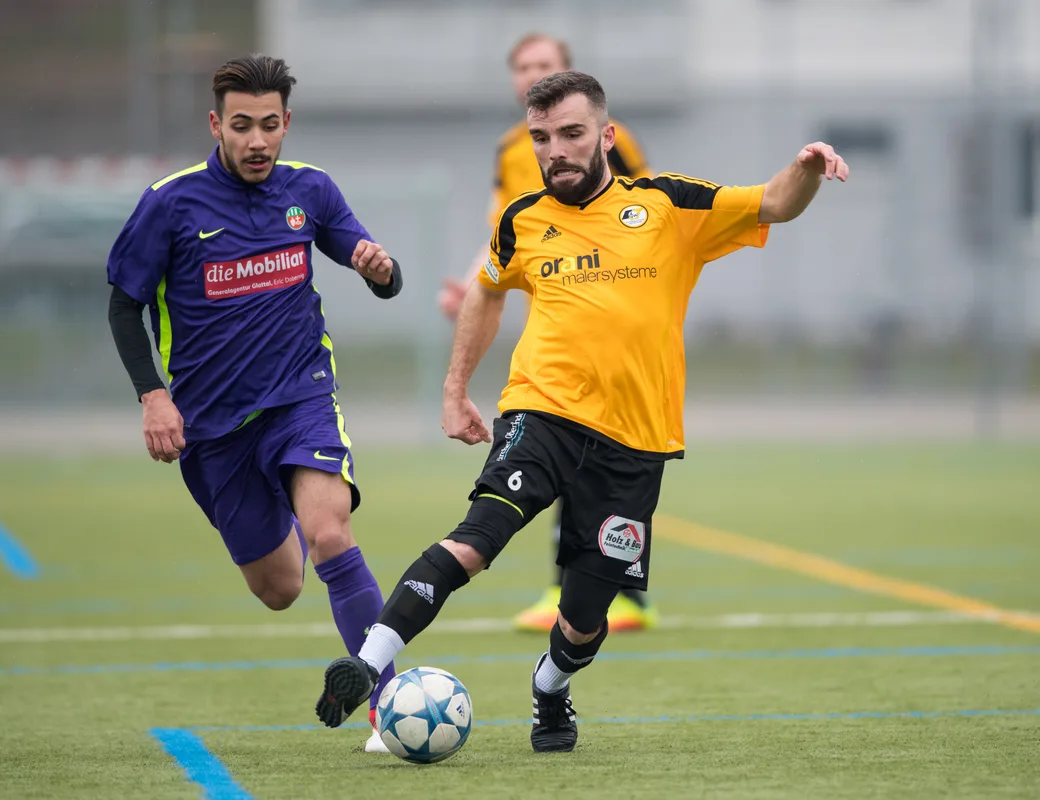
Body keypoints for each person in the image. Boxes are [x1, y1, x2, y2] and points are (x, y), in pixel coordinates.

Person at [316, 70, 848, 752]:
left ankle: (550, 688)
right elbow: (485, 291)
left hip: (636, 440)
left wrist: (806, 163)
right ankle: (366, 664)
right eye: (541, 138)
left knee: (584, 618)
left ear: (607, 135)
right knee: (479, 536)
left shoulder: (668, 205)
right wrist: (455, 389)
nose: (555, 150)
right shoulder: (522, 220)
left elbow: (775, 202)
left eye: (570, 134)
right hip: (543, 412)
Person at [106, 55, 403, 754]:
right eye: (242, 126)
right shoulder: (169, 203)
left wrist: (380, 271)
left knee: (330, 533)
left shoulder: (311, 191)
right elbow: (124, 307)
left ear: (286, 124)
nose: (257, 141)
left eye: (270, 125)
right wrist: (153, 397)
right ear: (217, 124)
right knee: (279, 588)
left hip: (301, 395)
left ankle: (387, 702)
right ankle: (286, 506)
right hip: (212, 428)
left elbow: (374, 268)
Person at [437, 33, 656, 634]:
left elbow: (646, 214)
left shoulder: (616, 142)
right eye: (525, 68)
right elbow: (502, 237)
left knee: (601, 460)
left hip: (610, 322)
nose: (533, 74)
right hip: (553, 315)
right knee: (558, 452)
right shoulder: (512, 150)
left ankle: (619, 594)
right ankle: (580, 594)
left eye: (546, 66)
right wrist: (469, 285)